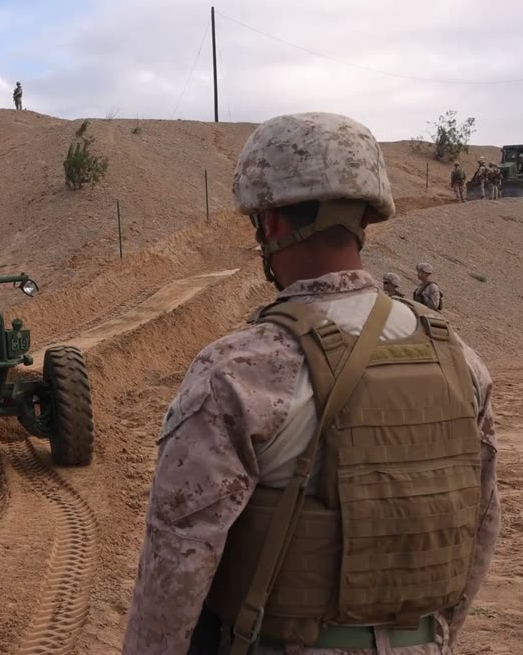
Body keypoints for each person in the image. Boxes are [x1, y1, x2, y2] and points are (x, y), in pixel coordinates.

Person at [122, 112, 499, 655]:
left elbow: (178, 561)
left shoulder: (236, 371)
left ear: (271, 224)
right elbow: (481, 526)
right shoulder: (460, 361)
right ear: (364, 220)